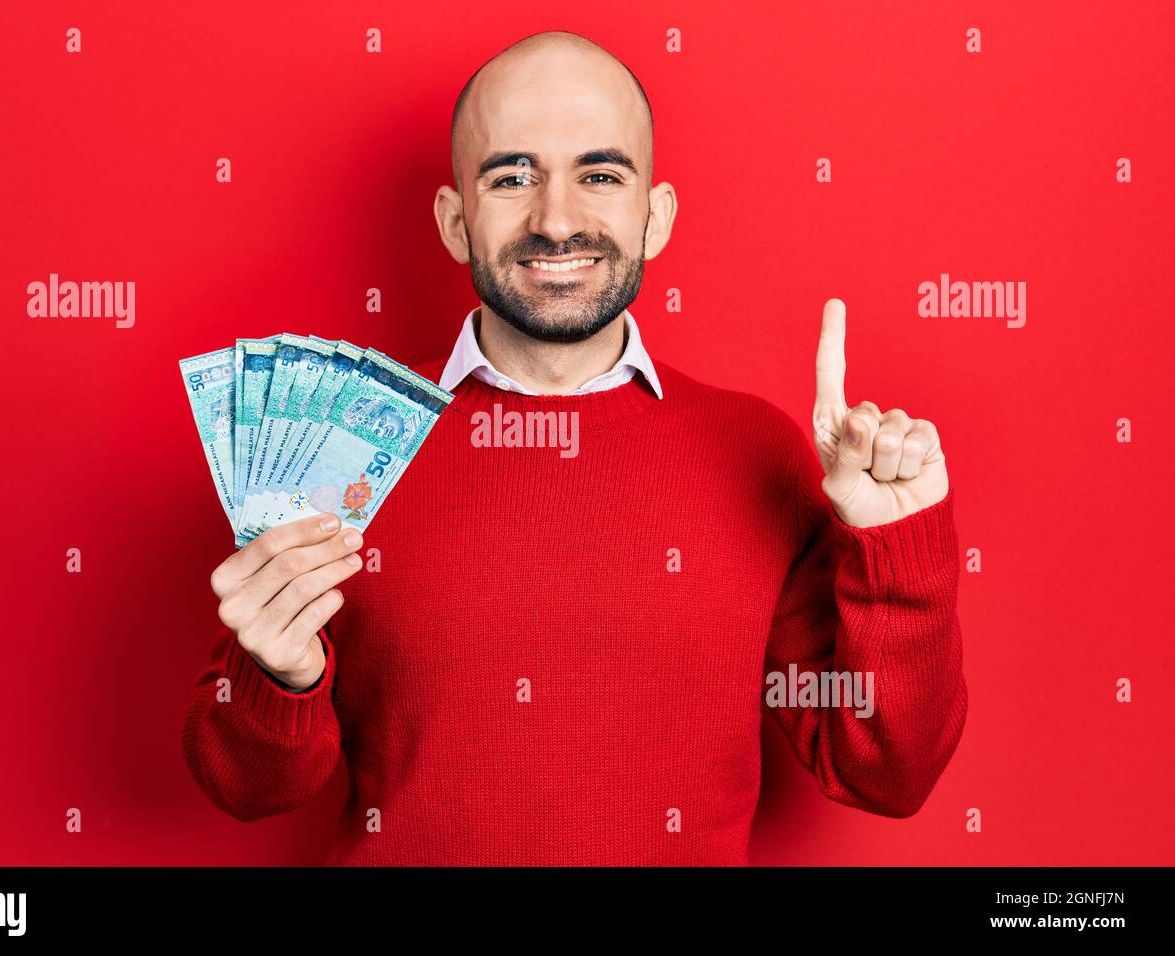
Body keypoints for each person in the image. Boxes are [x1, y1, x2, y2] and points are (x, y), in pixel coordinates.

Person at [181, 30, 967, 865]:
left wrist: (897, 558)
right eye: (512, 176)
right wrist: (280, 677)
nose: (557, 222)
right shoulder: (343, 442)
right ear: (455, 222)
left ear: (654, 218)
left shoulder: (757, 450)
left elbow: (888, 774)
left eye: (600, 175)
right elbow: (244, 790)